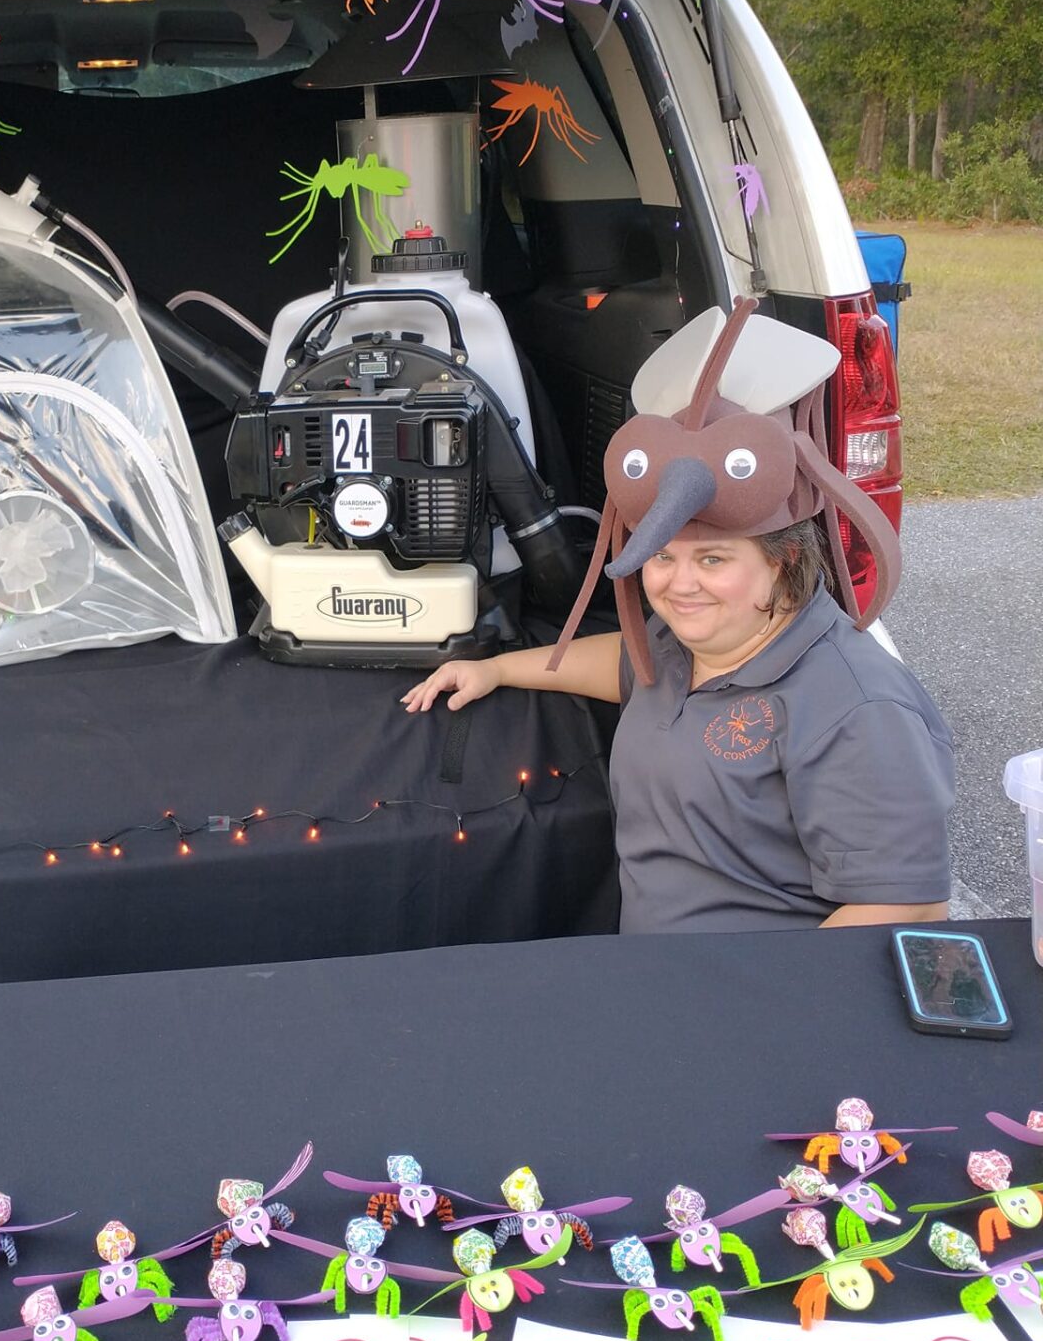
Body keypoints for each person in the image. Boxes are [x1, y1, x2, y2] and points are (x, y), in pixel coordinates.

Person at [403, 301, 955, 935]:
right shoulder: (692, 644)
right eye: (661, 555)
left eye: (714, 559)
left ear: (785, 560)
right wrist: (496, 669)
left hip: (749, 1001)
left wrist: (752, 1015)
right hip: (655, 976)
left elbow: (906, 905)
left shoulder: (858, 710)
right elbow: (625, 664)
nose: (678, 584)